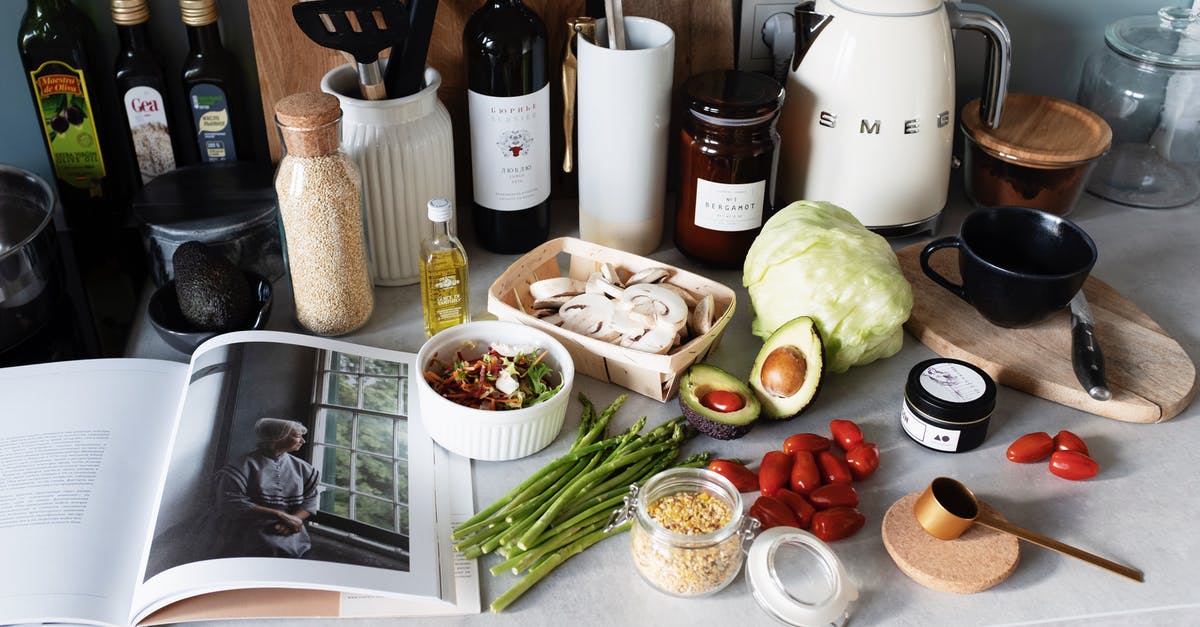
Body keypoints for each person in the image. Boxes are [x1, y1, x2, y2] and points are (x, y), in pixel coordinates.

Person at [211, 417, 321, 558]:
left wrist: (294, 520)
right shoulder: (242, 466)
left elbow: (310, 501)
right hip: (249, 528)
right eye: (298, 436)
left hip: (291, 529)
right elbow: (232, 503)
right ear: (278, 437)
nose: (302, 441)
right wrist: (280, 515)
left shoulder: (303, 468)